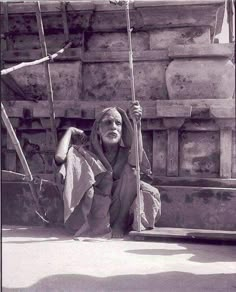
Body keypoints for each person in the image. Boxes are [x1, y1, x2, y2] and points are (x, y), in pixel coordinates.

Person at [55, 101, 161, 238]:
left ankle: (120, 224)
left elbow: (137, 161)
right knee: (71, 166)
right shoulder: (87, 152)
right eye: (108, 122)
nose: (113, 127)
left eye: (118, 123)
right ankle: (96, 227)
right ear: (98, 129)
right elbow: (59, 157)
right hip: (94, 212)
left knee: (134, 174)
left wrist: (137, 124)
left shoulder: (126, 153)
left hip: (119, 211)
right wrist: (70, 131)